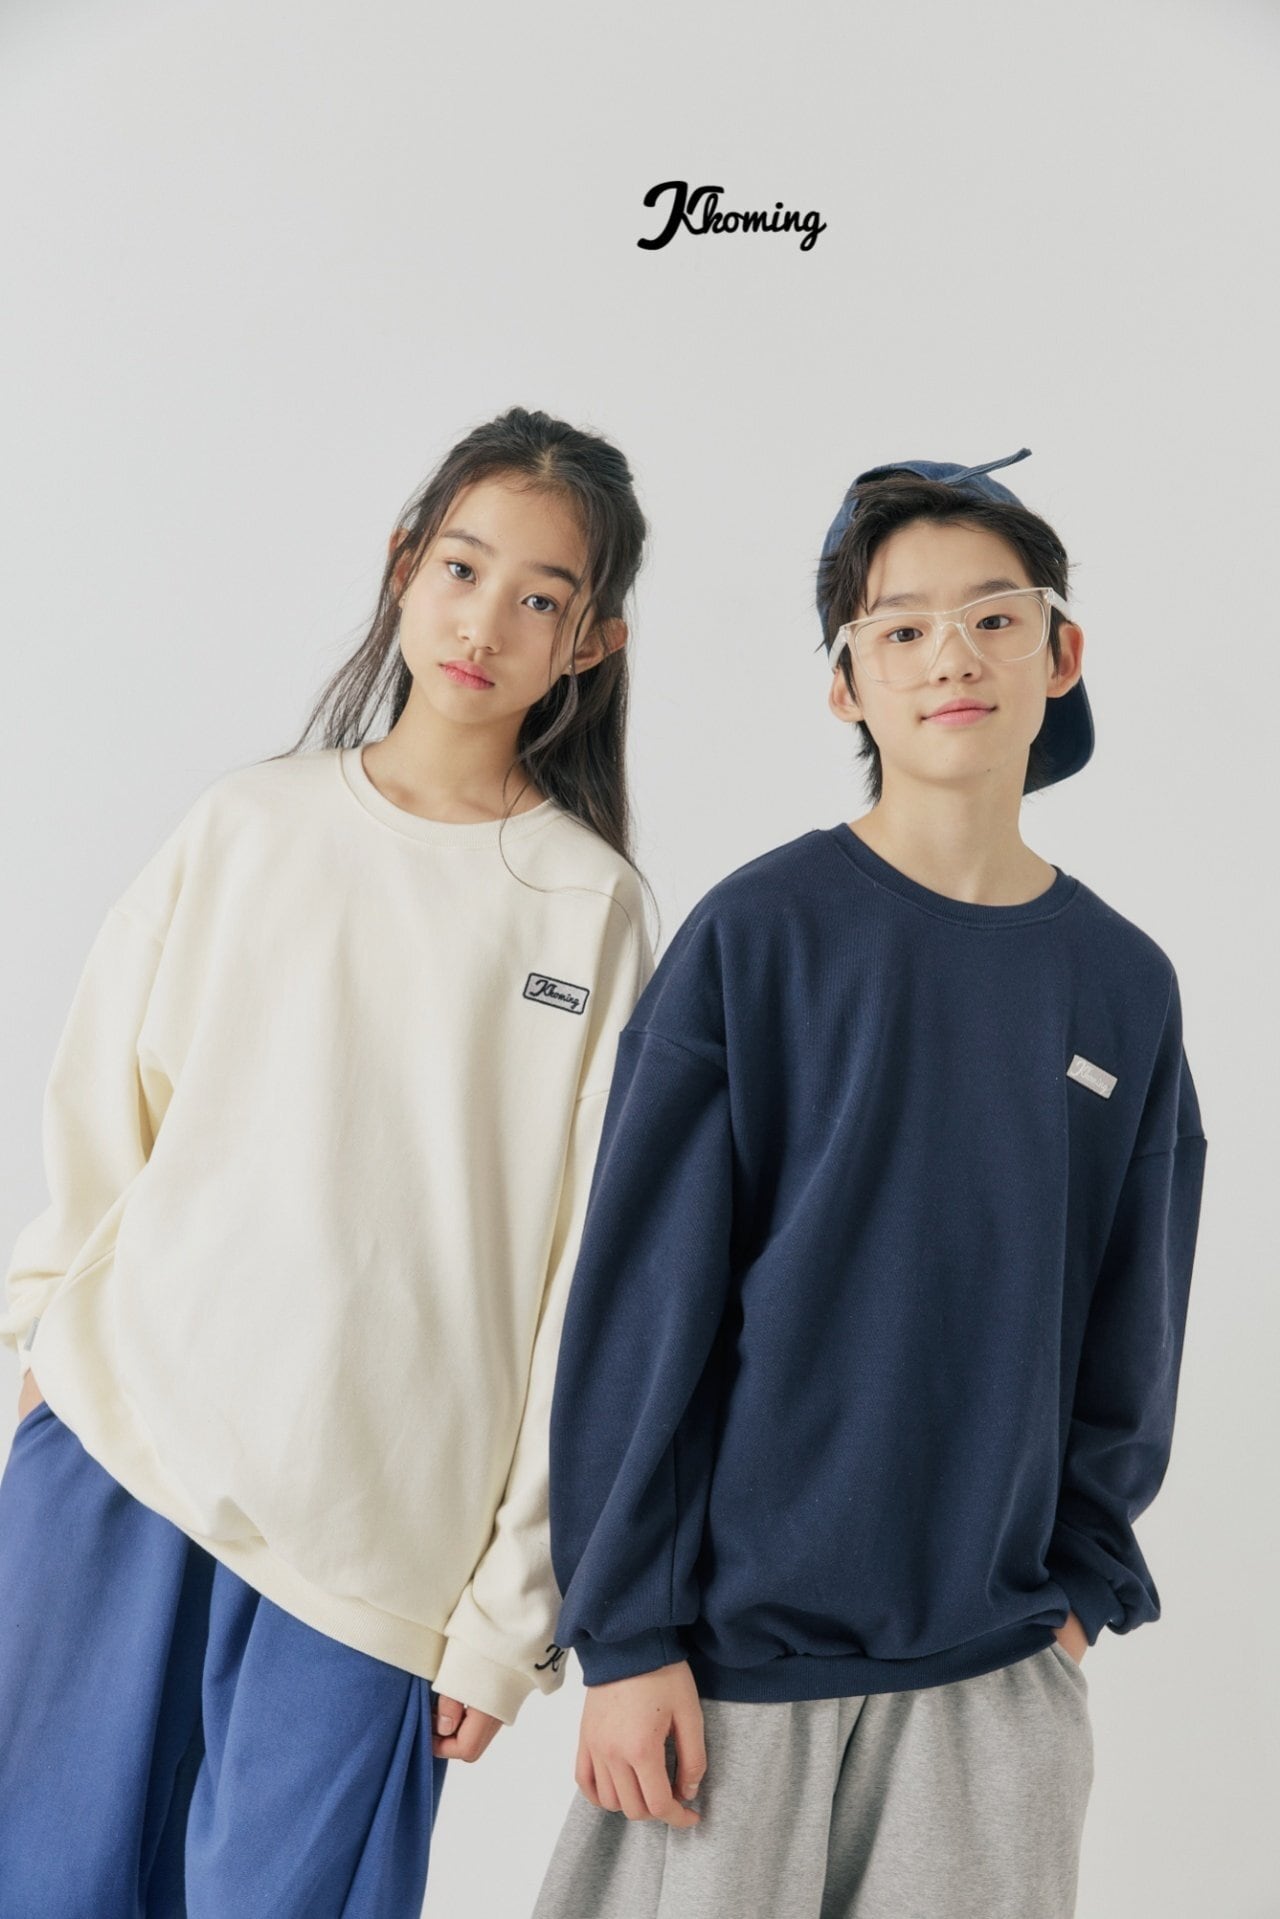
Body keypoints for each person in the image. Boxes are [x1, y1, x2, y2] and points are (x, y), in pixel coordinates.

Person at [531, 449, 1209, 1919]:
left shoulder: (1122, 984)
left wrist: (1083, 1585)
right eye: (900, 629)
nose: (950, 658)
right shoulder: (759, 939)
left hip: (994, 1677)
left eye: (993, 618)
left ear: (1061, 653)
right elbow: (643, 1303)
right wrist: (627, 1634)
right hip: (730, 1676)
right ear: (846, 685)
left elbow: (1135, 1316)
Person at [0, 404, 655, 1917]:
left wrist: (509, 1612)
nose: (484, 621)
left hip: (376, 1555)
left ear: (591, 643)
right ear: (403, 565)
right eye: (463, 568)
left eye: (540, 597)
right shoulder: (251, 824)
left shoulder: (589, 910)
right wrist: (39, 1346)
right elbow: (103, 1110)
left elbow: (588, 1287)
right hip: (120, 1456)